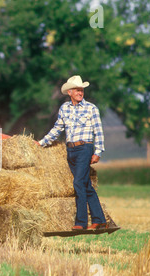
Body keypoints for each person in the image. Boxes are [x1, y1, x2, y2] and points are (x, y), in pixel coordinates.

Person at [36, 75, 107, 230]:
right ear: (69, 92)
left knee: (78, 183)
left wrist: (98, 151)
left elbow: (98, 131)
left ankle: (81, 223)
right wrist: (41, 143)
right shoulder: (64, 108)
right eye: (77, 90)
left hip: (85, 148)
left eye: (81, 90)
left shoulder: (91, 108)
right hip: (71, 150)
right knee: (86, 184)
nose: (80, 92)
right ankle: (99, 219)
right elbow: (57, 129)